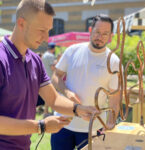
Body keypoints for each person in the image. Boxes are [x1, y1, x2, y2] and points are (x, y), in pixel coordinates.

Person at [0, 0, 99, 150]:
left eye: (49, 30)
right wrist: (40, 126)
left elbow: (53, 99)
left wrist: (79, 109)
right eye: (41, 30)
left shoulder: (35, 60)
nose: (46, 38)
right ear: (21, 23)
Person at [51, 14, 120, 150]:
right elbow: (56, 76)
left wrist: (110, 125)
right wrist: (66, 91)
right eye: (97, 32)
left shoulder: (114, 61)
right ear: (90, 31)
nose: (100, 37)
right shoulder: (72, 50)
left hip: (93, 128)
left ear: (111, 36)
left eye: (105, 34)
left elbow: (114, 99)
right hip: (63, 123)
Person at [42, 42, 56, 116]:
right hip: (51, 77)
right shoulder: (50, 56)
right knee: (53, 95)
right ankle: (53, 111)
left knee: (47, 96)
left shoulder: (44, 55)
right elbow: (52, 67)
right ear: (53, 49)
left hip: (45, 77)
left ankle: (46, 111)